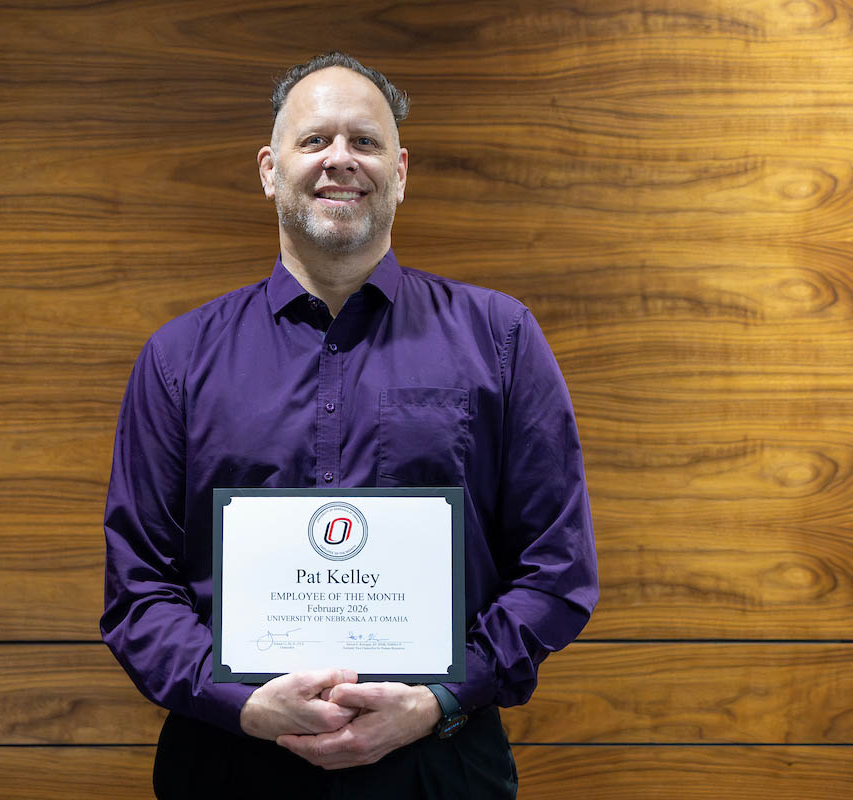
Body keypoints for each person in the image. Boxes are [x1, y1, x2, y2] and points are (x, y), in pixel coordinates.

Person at [100, 52, 598, 798]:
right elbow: (139, 589)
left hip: (438, 765)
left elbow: (555, 569)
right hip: (231, 765)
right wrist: (244, 702)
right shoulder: (178, 358)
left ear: (401, 171)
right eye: (315, 141)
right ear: (270, 169)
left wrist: (437, 698)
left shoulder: (501, 338)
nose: (341, 160)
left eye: (365, 142)